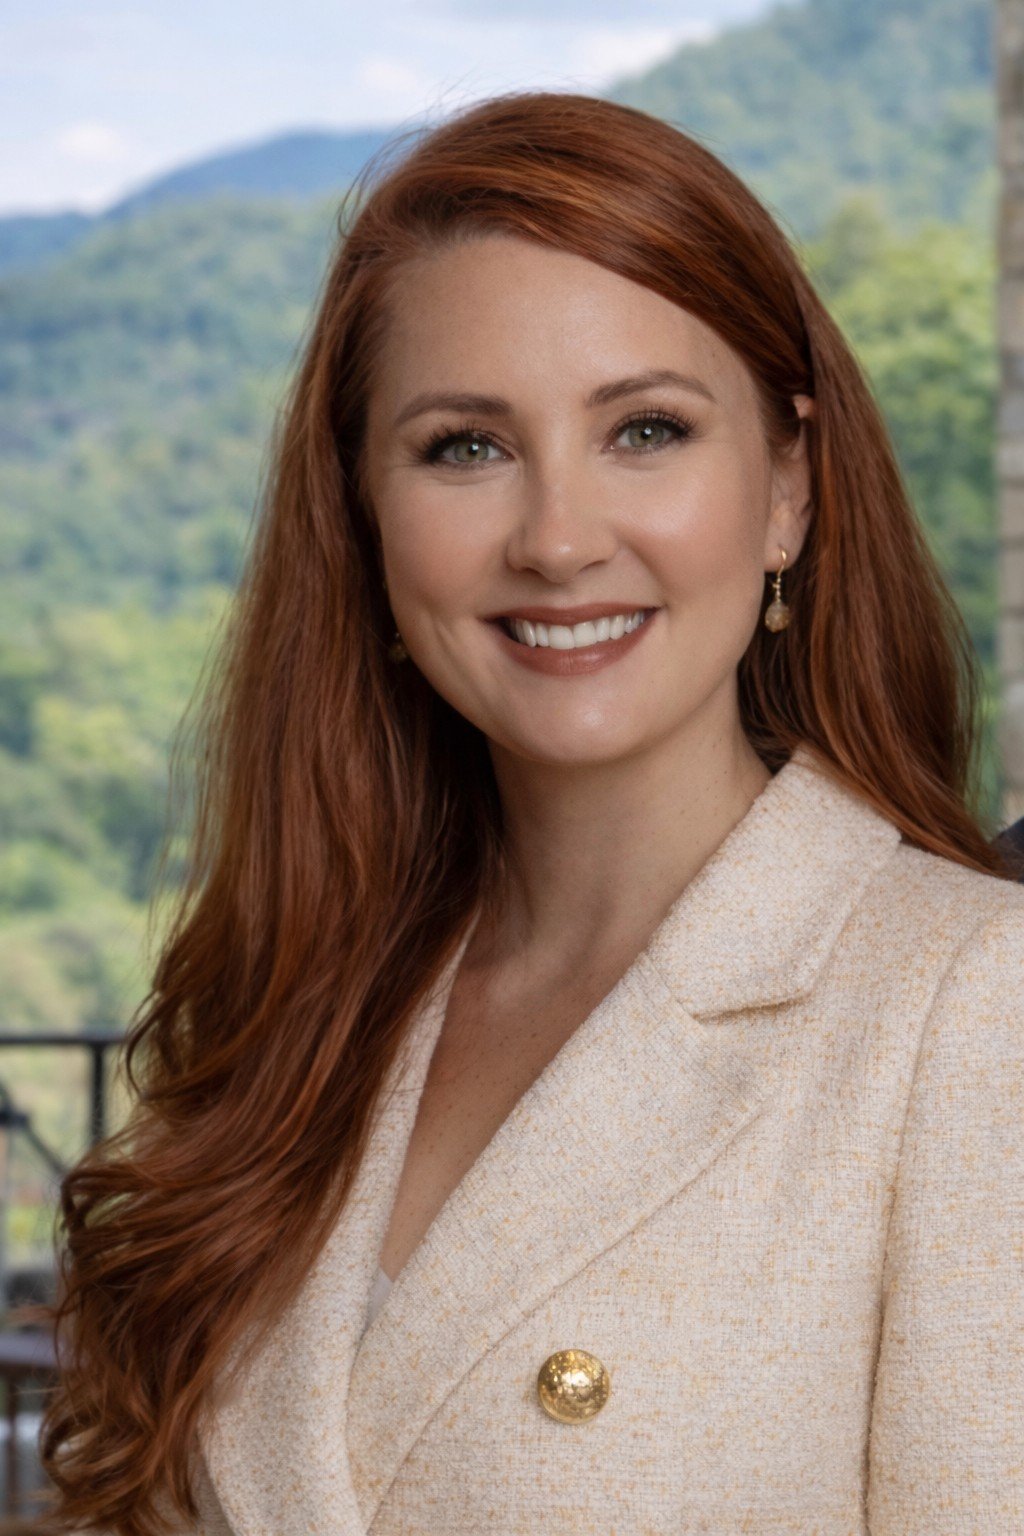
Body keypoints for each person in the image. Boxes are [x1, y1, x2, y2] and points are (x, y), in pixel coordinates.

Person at [37, 90, 1024, 1536]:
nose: (558, 539)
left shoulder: (968, 1006)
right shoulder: (302, 1002)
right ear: (365, 515)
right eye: (465, 448)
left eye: (645, 429)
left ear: (789, 491)